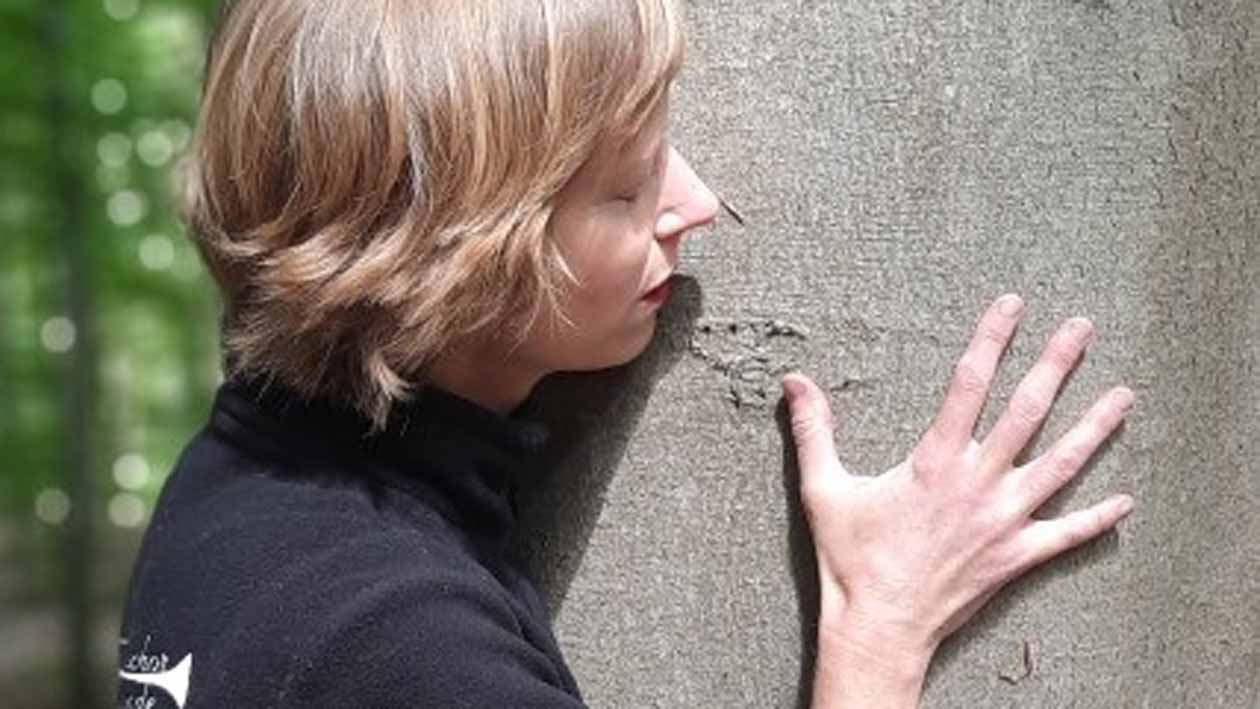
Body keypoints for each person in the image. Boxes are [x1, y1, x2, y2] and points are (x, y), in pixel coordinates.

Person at [115, 1, 1136, 707]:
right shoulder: (411, 650)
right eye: (628, 183)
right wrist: (880, 627)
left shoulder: (236, 482)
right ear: (463, 247)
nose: (696, 203)